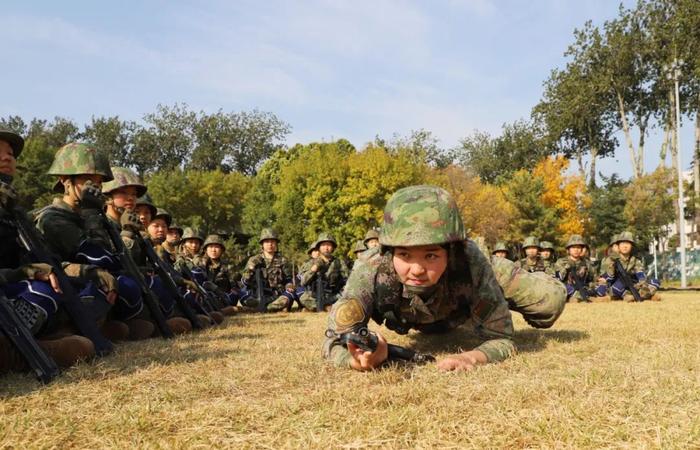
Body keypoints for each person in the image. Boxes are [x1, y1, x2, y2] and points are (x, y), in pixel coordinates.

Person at [323, 185, 566, 372]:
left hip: (486, 276)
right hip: (428, 317)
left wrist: (471, 357)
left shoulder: (471, 262)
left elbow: (502, 340)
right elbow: (333, 341)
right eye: (405, 254)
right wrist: (358, 361)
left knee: (549, 301)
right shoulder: (371, 267)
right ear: (389, 252)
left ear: (452, 251)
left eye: (430, 255)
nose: (417, 269)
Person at [35, 143, 152, 340]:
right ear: (65, 180)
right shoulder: (53, 218)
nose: (94, 187)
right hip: (64, 285)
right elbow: (97, 258)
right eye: (88, 180)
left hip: (87, 282)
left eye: (98, 183)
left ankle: (101, 326)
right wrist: (92, 213)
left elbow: (113, 260)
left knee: (129, 284)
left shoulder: (89, 216)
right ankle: (67, 332)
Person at [0, 130, 95, 373]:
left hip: (8, 294)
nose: (7, 158)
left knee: (52, 289)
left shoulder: (14, 212)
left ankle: (17, 348)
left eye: (10, 153)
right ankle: (14, 353)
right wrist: (20, 273)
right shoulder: (50, 217)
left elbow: (40, 256)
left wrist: (43, 271)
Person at [241, 228, 296, 312]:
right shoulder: (254, 260)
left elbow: (288, 279)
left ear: (276, 244)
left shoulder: (283, 260)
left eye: (273, 242)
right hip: (258, 295)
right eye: (267, 242)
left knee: (288, 297)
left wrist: (289, 286)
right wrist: (251, 269)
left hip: (277, 295)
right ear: (262, 244)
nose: (270, 244)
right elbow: (244, 281)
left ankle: (269, 307)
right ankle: (268, 308)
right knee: (245, 298)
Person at [598, 232, 661, 301]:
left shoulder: (634, 259)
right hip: (616, 285)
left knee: (655, 282)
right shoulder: (610, 259)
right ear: (617, 246)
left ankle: (637, 296)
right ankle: (647, 296)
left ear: (632, 246)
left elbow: (640, 272)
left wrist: (642, 283)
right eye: (622, 243)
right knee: (618, 286)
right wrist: (615, 256)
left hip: (632, 284)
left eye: (628, 243)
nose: (625, 246)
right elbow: (609, 277)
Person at [299, 232, 349, 311]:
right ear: (319, 247)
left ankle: (320, 307)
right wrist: (315, 268)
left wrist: (343, 290)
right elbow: (303, 282)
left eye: (329, 245)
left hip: (334, 295)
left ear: (333, 247)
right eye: (323, 245)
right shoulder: (311, 263)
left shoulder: (339, 262)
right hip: (316, 295)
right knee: (303, 298)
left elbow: (347, 280)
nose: (326, 248)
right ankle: (327, 307)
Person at [194, 234, 238, 315]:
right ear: (205, 249)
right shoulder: (199, 264)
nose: (213, 250)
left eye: (217, 247)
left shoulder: (228, 266)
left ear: (221, 250)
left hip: (223, 299)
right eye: (210, 247)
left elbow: (235, 286)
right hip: (204, 298)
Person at [553, 235, 603, 302]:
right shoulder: (561, 262)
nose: (576, 250)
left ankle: (585, 297)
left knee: (602, 287)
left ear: (582, 250)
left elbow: (594, 277)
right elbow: (559, 278)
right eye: (573, 247)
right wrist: (566, 267)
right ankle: (577, 298)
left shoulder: (586, 262)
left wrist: (600, 281)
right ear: (568, 250)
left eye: (578, 248)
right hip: (567, 289)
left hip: (583, 287)